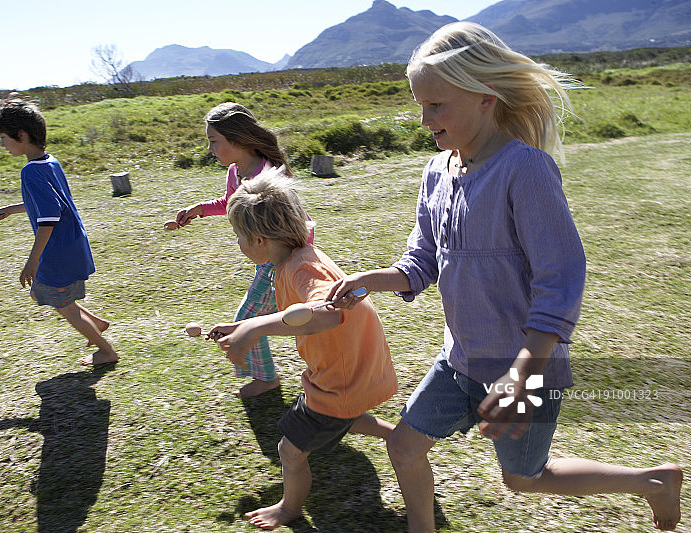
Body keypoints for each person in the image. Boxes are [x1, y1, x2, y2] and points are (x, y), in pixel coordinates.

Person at [327, 22, 682, 532]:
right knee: (405, 444)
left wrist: (522, 373)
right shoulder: (436, 172)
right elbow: (422, 260)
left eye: (437, 105)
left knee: (525, 478)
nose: (424, 119)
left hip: (526, 369)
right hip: (459, 360)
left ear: (485, 97)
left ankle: (653, 481)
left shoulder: (526, 170)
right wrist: (369, 280)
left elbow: (560, 279)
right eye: (419, 104)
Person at [208, 171, 397, 530]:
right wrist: (241, 326)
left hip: (339, 378)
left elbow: (327, 313)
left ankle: (289, 509)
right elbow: (296, 316)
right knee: (339, 417)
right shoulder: (298, 257)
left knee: (290, 450)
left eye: (239, 237)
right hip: (350, 371)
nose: (238, 244)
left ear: (259, 240)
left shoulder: (301, 268)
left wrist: (255, 327)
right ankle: (396, 436)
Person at [171, 102, 313, 398]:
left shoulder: (269, 174)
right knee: (273, 318)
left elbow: (299, 222)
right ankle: (277, 374)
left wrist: (288, 263)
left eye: (213, 141)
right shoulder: (236, 170)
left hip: (284, 259)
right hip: (270, 260)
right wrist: (198, 209)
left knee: (249, 319)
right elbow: (231, 202)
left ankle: (267, 379)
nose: (209, 148)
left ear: (236, 141)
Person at [0, 94, 118, 366]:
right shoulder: (49, 162)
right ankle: (97, 323)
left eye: (3, 137)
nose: (2, 144)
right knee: (52, 295)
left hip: (57, 251)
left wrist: (32, 260)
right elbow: (51, 204)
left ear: (21, 135)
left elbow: (49, 217)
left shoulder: (31, 172)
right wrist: (11, 209)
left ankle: (106, 351)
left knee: (62, 304)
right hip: (71, 244)